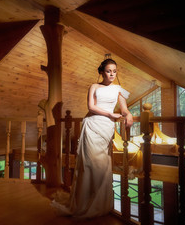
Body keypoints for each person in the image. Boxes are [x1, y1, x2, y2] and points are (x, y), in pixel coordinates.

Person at [51, 58, 133, 218]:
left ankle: (100, 203)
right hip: (92, 124)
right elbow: (91, 107)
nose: (112, 74)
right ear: (102, 72)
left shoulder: (120, 89)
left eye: (114, 71)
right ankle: (84, 202)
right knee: (89, 163)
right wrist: (109, 113)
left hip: (106, 128)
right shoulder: (94, 86)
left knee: (102, 164)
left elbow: (124, 108)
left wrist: (128, 115)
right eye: (109, 71)